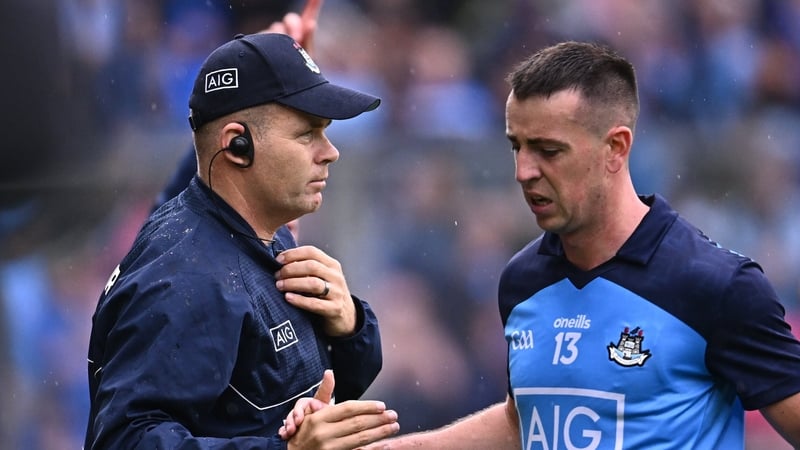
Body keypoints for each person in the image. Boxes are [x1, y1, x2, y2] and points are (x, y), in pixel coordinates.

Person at [346, 41, 800, 449]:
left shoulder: (716, 286)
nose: (524, 171)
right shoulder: (522, 281)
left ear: (616, 148)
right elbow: (524, 420)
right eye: (517, 147)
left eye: (548, 150)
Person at [84, 13, 400, 450]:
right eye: (307, 134)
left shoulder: (255, 231)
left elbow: (296, 393)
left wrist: (349, 329)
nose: (331, 152)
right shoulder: (184, 276)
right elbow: (124, 441)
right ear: (238, 144)